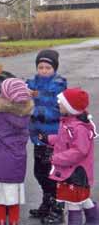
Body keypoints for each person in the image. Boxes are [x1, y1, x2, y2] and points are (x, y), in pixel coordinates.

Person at [0, 78, 34, 225]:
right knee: (13, 200)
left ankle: (1, 222)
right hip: (16, 168)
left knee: (0, 201)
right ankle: (14, 222)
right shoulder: (26, 117)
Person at [40, 88, 98, 225]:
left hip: (75, 172)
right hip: (73, 171)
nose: (58, 103)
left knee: (73, 203)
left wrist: (54, 159)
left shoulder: (79, 128)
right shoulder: (69, 122)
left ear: (70, 108)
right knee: (82, 200)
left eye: (61, 102)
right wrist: (48, 139)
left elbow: (79, 151)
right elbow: (63, 140)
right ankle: (94, 219)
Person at [26, 49, 67, 224]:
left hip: (52, 138)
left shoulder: (58, 85)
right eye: (40, 67)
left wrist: (35, 110)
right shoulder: (32, 83)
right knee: (39, 172)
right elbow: (24, 93)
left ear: (54, 69)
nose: (43, 70)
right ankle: (47, 202)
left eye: (47, 67)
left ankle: (57, 209)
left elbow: (57, 111)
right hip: (38, 138)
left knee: (54, 174)